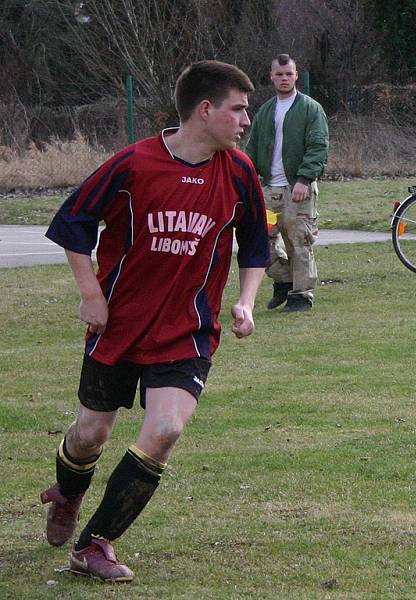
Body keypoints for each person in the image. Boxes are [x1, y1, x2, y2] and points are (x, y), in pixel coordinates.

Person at [40, 60, 269, 581]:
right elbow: (71, 224)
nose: (245, 120)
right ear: (206, 110)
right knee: (89, 434)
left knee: (165, 430)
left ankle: (94, 544)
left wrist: (247, 301)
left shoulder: (238, 172)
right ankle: (68, 492)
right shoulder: (133, 164)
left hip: (187, 332)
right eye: (238, 109)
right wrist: (90, 294)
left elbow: (255, 245)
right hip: (118, 326)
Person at [245, 53, 329, 312]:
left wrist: (304, 179)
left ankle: (301, 295)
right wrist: (244, 177)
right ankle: (283, 280)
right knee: (259, 240)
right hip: (269, 189)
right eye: (279, 74)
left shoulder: (310, 108)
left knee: (299, 241)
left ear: (296, 75)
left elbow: (318, 147)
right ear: (271, 76)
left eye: (289, 74)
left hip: (298, 189)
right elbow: (252, 148)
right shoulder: (266, 110)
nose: (284, 78)